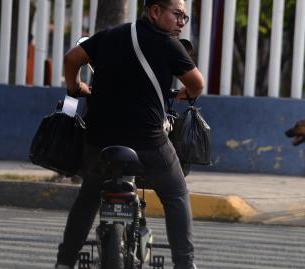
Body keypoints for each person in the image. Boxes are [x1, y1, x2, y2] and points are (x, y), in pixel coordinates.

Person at [55, 0, 204, 268]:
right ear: (155, 11)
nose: (181, 22)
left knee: (89, 196)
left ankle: (64, 262)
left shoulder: (110, 35)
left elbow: (71, 58)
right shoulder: (167, 43)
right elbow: (197, 82)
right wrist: (188, 94)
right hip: (148, 144)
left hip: (99, 141)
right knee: (176, 193)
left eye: (185, 17)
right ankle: (185, 264)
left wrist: (75, 87)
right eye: (178, 15)